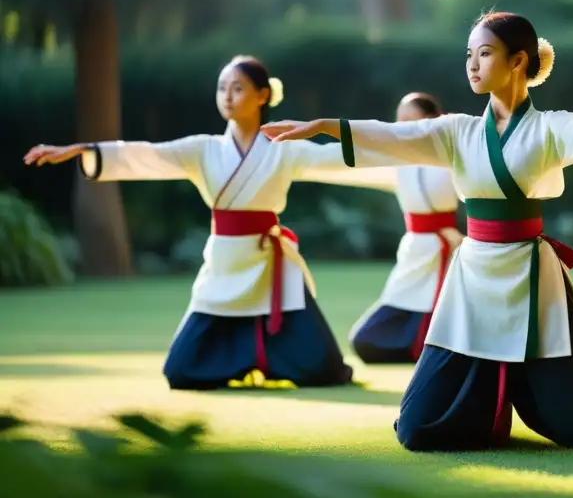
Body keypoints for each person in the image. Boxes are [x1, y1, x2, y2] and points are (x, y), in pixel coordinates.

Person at [261, 11, 573, 450]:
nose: (472, 65)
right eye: (468, 55)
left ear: (518, 61)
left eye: (483, 54)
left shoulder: (547, 128)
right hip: (473, 274)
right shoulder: (457, 131)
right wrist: (322, 126)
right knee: (418, 429)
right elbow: (393, 136)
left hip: (530, 277)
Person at [23, 55, 363, 391]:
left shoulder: (284, 149)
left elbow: (335, 158)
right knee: (181, 371)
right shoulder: (203, 150)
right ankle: (244, 362)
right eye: (222, 88)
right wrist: (85, 150)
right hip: (225, 262)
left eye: (238, 88)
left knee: (324, 369)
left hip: (269, 262)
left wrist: (404, 154)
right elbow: (149, 154)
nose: (227, 96)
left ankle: (269, 361)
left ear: (262, 96)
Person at [347, 92, 466, 364]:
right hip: (414, 252)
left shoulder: (454, 157)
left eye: (412, 120)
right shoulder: (394, 159)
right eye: (400, 121)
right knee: (366, 339)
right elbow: (349, 159)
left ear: (434, 121)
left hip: (450, 250)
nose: (404, 127)